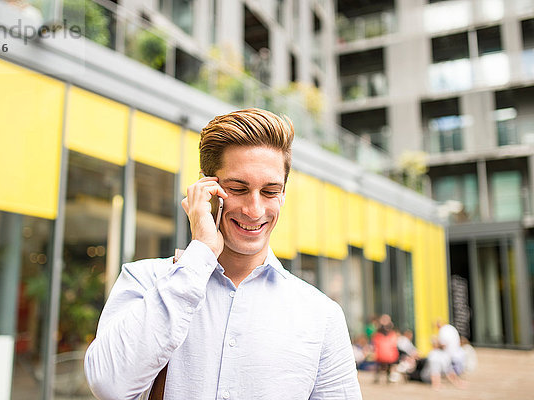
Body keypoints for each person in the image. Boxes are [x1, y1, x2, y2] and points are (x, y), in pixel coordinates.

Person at [84, 109, 362, 399]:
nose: (255, 210)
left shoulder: (321, 315)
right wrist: (201, 251)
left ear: (282, 194)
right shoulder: (145, 280)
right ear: (206, 190)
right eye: (238, 188)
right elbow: (109, 386)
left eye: (270, 191)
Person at [372, 314, 399, 383]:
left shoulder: (383, 329)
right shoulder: (382, 330)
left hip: (386, 350)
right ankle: (381, 377)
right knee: (382, 364)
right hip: (384, 350)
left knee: (385, 365)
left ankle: (384, 377)